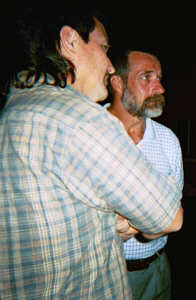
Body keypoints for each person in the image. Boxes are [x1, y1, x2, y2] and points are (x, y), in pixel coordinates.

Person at [0, 8, 183, 299]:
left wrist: (112, 223)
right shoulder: (81, 119)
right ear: (70, 41)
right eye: (103, 48)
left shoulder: (16, 107)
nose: (109, 65)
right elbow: (169, 216)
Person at [107, 49, 184, 300]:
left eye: (159, 78)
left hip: (155, 271)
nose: (159, 88)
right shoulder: (91, 132)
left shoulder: (167, 140)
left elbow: (174, 212)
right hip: (102, 273)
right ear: (118, 82)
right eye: (146, 77)